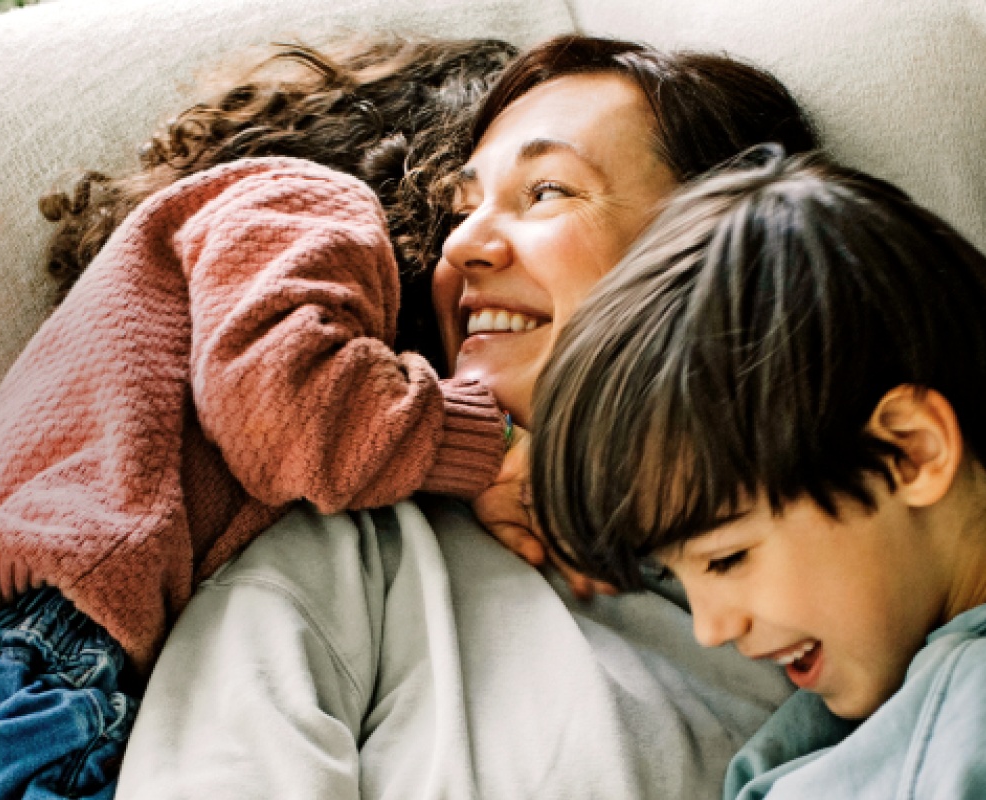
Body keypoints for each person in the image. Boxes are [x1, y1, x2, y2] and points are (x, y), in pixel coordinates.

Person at [116, 36, 820, 799]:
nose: (463, 243)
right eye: (459, 208)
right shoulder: (355, 556)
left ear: (728, 248)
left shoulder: (855, 604)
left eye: (546, 192)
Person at [0, 37, 525, 799]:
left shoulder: (200, 259)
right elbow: (284, 413)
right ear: (441, 173)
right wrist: (492, 443)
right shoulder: (306, 199)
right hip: (44, 662)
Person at [528, 148, 986, 799]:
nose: (711, 630)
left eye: (726, 559)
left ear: (911, 452)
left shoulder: (980, 749)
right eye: (676, 572)